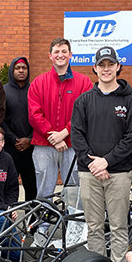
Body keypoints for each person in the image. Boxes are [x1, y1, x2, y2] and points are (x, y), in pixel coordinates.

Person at [71, 46, 132, 262]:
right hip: (90, 173)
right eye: (101, 65)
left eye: (110, 64)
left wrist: (107, 161)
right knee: (94, 227)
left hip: (118, 173)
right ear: (95, 68)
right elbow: (77, 136)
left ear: (118, 67)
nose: (106, 69)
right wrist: (94, 164)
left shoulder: (131, 100)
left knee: (119, 225)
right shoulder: (84, 101)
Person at [28, 38, 92, 200]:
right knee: (43, 189)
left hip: (73, 144)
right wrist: (54, 137)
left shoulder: (84, 82)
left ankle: (74, 224)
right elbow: (34, 114)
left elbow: (86, 113)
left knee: (74, 189)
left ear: (71, 55)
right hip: (44, 145)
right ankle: (43, 223)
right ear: (50, 55)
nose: (60, 55)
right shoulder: (38, 82)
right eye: (56, 51)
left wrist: (64, 133)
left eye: (64, 51)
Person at [1, 56, 37, 201]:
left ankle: (33, 221)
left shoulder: (35, 90)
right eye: (17, 68)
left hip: (32, 147)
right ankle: (9, 219)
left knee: (32, 186)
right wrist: (14, 139)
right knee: (9, 187)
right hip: (10, 148)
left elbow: (41, 117)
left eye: (24, 68)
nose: (21, 71)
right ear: (12, 70)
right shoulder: (3, 91)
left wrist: (29, 139)